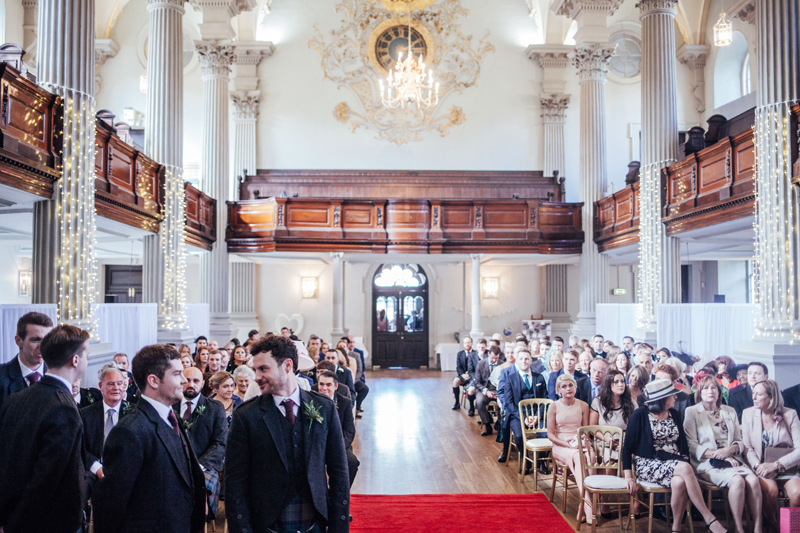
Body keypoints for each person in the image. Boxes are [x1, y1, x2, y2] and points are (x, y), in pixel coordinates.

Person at [225, 335, 350, 533]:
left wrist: (339, 527)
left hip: (314, 520)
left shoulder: (324, 407)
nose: (256, 377)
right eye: (255, 370)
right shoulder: (246, 415)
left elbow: (339, 471)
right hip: (266, 523)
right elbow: (235, 484)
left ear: (287, 366)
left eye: (264, 369)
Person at [93, 344, 206, 533]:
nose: (184, 380)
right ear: (154, 381)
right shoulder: (129, 432)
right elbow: (111, 506)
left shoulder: (172, 418)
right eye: (177, 374)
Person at [0, 324, 89, 533]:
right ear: (75, 360)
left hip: (10, 513)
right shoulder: (64, 407)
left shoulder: (16, 398)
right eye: (86, 355)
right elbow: (45, 481)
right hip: (45, 523)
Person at [622, 379, 726, 533]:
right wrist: (628, 477)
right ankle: (709, 518)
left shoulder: (675, 414)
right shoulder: (640, 415)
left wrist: (683, 458)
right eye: (672, 395)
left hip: (674, 463)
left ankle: (676, 528)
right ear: (662, 398)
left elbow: (683, 444)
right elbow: (627, 448)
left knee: (679, 482)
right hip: (648, 464)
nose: (675, 398)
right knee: (685, 468)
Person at [684, 375, 761, 533]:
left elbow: (740, 441)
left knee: (753, 480)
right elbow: (691, 445)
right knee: (738, 481)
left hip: (733, 459)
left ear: (719, 392)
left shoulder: (729, 411)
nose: (710, 391)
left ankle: (758, 526)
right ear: (699, 392)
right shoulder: (692, 412)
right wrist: (719, 454)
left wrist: (729, 451)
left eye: (713, 388)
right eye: (705, 388)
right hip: (707, 462)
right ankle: (739, 528)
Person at [742, 379, 800, 532]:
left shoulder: (790, 414)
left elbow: (799, 450)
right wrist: (759, 466)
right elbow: (747, 448)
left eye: (759, 394)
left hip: (787, 467)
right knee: (771, 491)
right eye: (753, 393)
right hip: (761, 466)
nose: (753, 397)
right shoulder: (748, 414)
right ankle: (773, 522)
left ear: (771, 397)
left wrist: (777, 465)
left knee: (797, 493)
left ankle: (789, 525)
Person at [547, 374, 591, 523]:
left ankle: (583, 505)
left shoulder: (583, 405)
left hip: (578, 442)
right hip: (560, 445)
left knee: (590, 457)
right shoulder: (553, 406)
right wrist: (565, 444)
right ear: (559, 389)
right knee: (579, 456)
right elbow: (550, 434)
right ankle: (590, 507)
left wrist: (582, 440)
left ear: (575, 387)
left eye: (570, 385)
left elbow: (585, 430)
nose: (568, 389)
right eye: (564, 386)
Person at [81, 364, 131, 485]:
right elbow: (81, 447)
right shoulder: (86, 414)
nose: (116, 388)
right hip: (93, 475)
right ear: (100, 386)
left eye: (119, 383)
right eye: (110, 384)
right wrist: (97, 468)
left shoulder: (133, 413)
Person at [497, 349, 548, 467]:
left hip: (536, 415)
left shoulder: (539, 377)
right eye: (521, 359)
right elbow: (509, 403)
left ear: (531, 361)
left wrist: (537, 416)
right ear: (517, 360)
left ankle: (541, 461)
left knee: (546, 434)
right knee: (519, 436)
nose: (524, 361)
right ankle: (526, 460)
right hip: (517, 415)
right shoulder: (510, 378)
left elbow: (544, 400)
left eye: (526, 359)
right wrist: (524, 417)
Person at [0, 311, 53, 408]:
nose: (42, 347)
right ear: (19, 341)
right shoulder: (2, 377)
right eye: (35, 340)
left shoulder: (57, 375)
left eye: (47, 340)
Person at [317, 370, 359, 487]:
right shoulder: (310, 400)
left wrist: (336, 447)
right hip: (316, 445)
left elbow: (349, 431)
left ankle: (340, 492)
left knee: (352, 462)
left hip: (339, 444)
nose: (324, 388)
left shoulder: (344, 403)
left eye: (328, 385)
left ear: (336, 386)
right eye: (321, 384)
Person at [474, 345, 501, 436]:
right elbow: (477, 382)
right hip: (484, 390)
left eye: (496, 358)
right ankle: (487, 424)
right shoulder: (481, 363)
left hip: (498, 390)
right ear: (488, 354)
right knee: (479, 401)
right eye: (493, 358)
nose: (494, 360)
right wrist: (486, 391)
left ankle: (499, 422)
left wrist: (499, 391)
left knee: (505, 400)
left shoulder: (502, 364)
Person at [453, 336, 476, 412]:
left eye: (468, 342)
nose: (467, 344)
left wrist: (471, 375)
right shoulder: (460, 354)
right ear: (463, 344)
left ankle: (471, 407)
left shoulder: (475, 353)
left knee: (471, 388)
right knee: (455, 381)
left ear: (472, 343)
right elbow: (458, 367)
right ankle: (457, 403)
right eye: (465, 342)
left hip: (473, 376)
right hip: (463, 376)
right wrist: (462, 375)